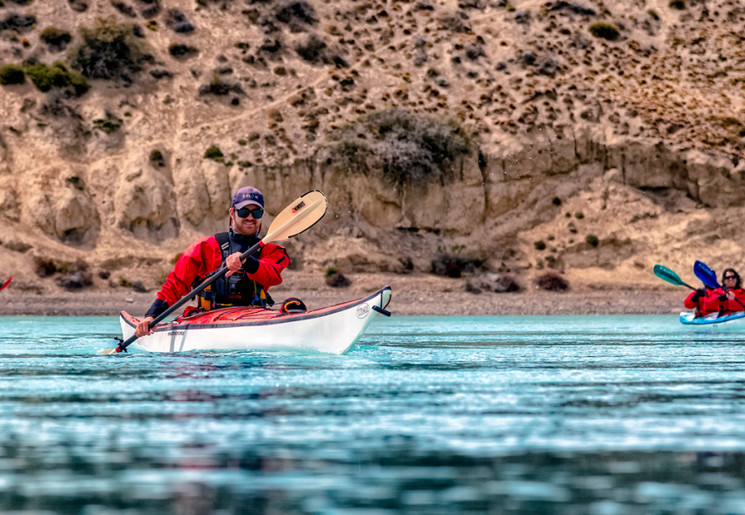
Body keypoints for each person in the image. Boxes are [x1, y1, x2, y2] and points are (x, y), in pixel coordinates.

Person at [135, 186, 290, 337]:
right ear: (232, 212)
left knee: (294, 305)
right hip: (208, 318)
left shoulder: (271, 251)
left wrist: (247, 261)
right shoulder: (204, 247)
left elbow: (272, 275)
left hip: (253, 317)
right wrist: (152, 316)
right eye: (243, 212)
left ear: (261, 215)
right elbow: (176, 284)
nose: (250, 217)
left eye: (256, 212)